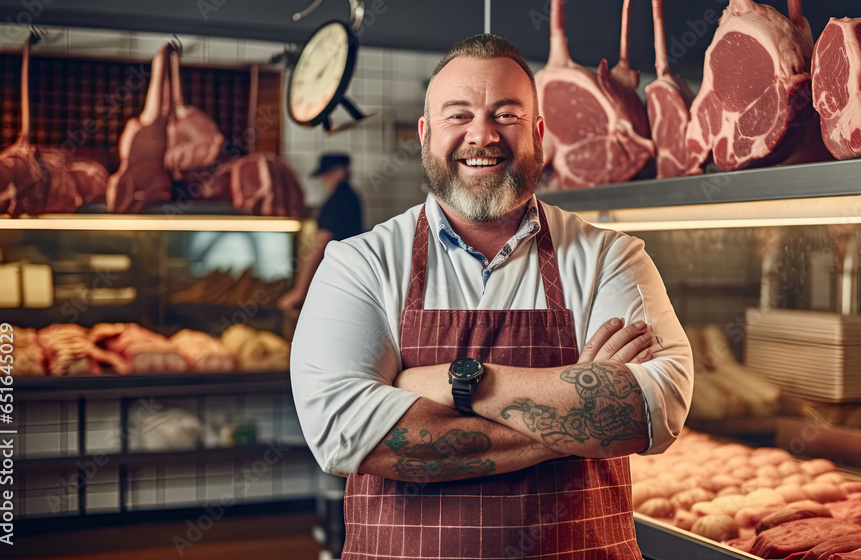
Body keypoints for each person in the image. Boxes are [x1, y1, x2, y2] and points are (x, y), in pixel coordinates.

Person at [290, 34, 693, 559]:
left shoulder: (609, 257)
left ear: (539, 133)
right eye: (458, 115)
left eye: (506, 114)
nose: (481, 135)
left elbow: (649, 410)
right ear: (426, 132)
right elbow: (345, 433)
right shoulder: (360, 262)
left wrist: (450, 384)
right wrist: (575, 414)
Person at [277, 153, 364, 311]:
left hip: (337, 282)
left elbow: (320, 244)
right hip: (347, 281)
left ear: (341, 171)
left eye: (327, 174)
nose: (324, 179)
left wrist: (299, 291)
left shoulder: (339, 199)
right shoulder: (350, 196)